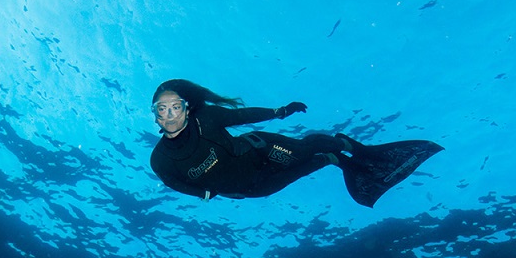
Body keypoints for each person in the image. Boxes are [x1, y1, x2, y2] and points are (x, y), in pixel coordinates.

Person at [148, 79, 443, 207]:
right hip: (250, 189)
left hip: (258, 150)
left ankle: (343, 144)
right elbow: (173, 181)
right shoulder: (159, 160)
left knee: (303, 151)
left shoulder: (207, 119)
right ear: (155, 117)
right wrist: (204, 192)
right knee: (306, 167)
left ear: (187, 108)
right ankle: (335, 158)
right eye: (162, 109)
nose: (170, 114)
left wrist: (279, 112)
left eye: (176, 106)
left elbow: (242, 115)